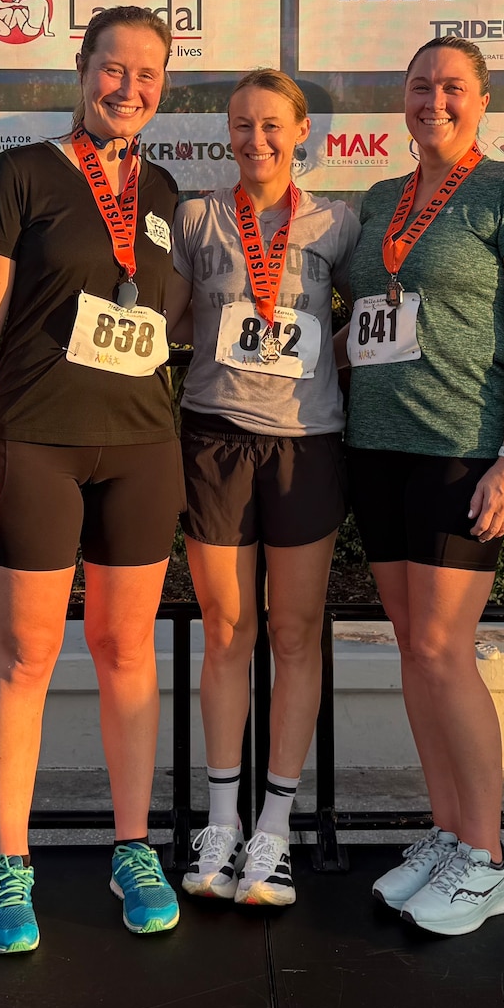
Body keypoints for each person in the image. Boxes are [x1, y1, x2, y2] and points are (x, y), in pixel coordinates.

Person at [0, 4, 185, 955]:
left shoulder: (166, 190)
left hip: (142, 448)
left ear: (164, 88)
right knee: (25, 657)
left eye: (148, 75)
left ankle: (133, 847)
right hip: (34, 444)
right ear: (82, 69)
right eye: (112, 68)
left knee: (130, 655)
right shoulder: (24, 172)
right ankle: (10, 865)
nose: (127, 87)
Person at [343, 35, 504, 937]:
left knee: (443, 648)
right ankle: (445, 832)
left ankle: (489, 856)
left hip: (462, 451)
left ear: (482, 100)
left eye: (454, 88)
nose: (436, 100)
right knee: (410, 648)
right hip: (375, 448)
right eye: (422, 86)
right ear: (404, 99)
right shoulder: (378, 199)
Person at [160, 69, 359, 909]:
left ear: (301, 132)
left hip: (308, 443)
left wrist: (333, 350)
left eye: (272, 125)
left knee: (295, 629)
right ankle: (222, 823)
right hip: (214, 437)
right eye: (242, 125)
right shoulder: (197, 217)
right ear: (226, 135)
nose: (256, 140)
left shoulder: (338, 222)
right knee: (228, 629)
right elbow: (167, 321)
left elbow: (385, 308)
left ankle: (275, 828)